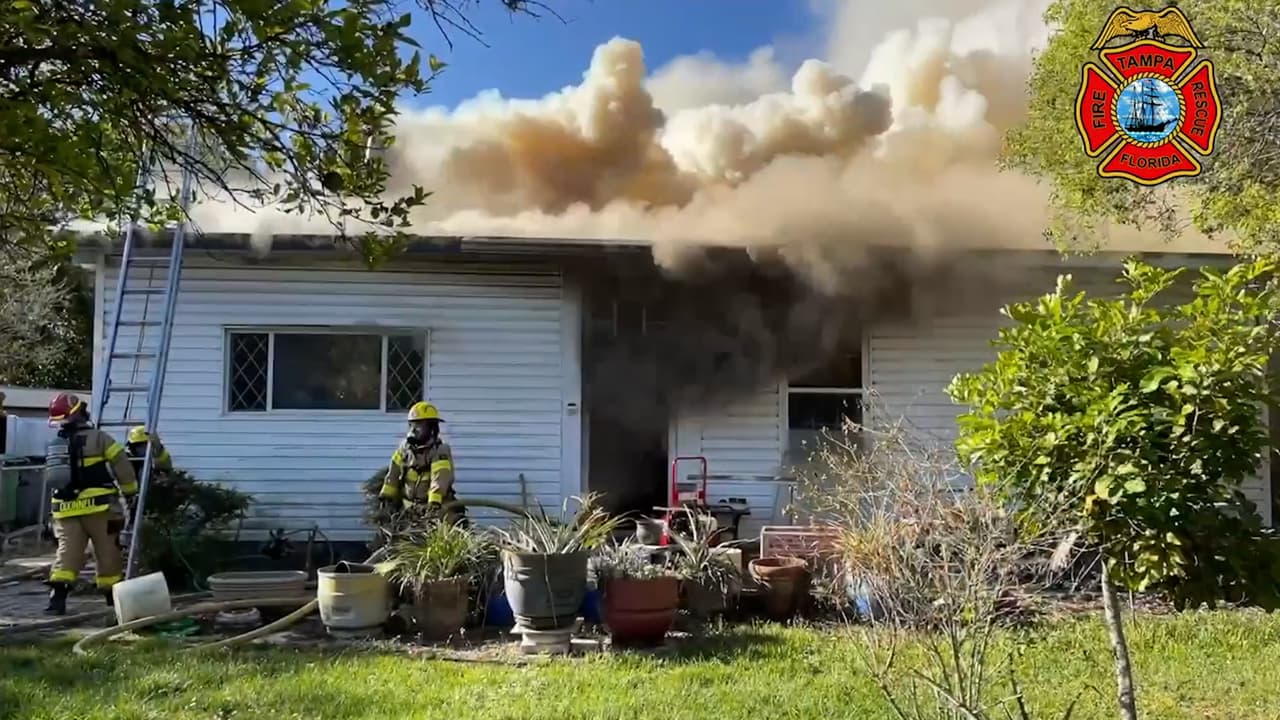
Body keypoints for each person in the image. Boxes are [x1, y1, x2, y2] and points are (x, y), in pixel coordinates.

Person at [44, 392, 139, 615]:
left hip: (64, 509)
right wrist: (130, 494)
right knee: (109, 550)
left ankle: (56, 600)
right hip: (102, 509)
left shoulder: (55, 444)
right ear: (80, 411)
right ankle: (112, 601)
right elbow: (122, 466)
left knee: (67, 552)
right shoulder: (100, 438)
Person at [377, 401, 464, 525]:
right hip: (409, 508)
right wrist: (386, 496)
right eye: (412, 425)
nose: (414, 430)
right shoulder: (404, 448)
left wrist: (434, 502)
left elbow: (440, 477)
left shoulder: (439, 449)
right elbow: (393, 473)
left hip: (436, 507)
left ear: (431, 428)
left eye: (419, 426)